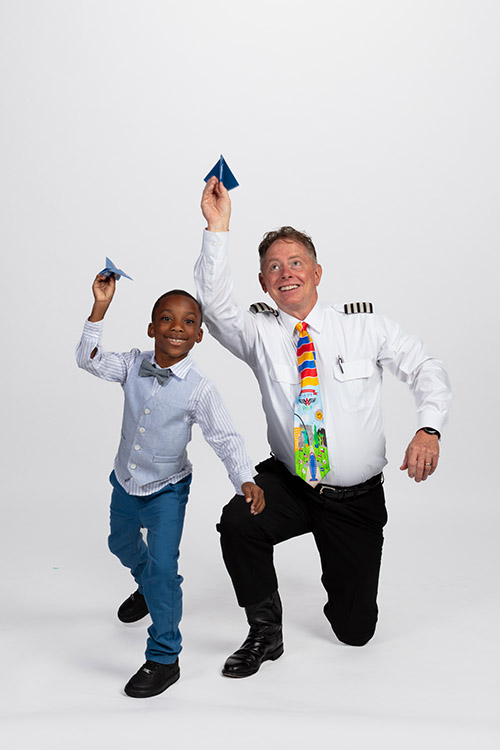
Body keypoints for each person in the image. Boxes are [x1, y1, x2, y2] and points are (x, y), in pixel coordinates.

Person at [194, 176, 452, 678]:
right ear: (264, 282)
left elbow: (425, 367)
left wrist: (430, 429)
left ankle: (340, 574)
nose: (284, 272)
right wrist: (217, 227)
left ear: (316, 272)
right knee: (240, 522)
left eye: (294, 263)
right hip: (291, 482)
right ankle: (265, 634)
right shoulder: (257, 331)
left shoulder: (365, 326)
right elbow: (213, 302)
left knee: (355, 632)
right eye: (273, 267)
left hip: (354, 499)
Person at [76, 272, 264, 697]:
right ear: (151, 328)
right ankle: (148, 587)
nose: (177, 327)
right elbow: (88, 359)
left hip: (167, 489)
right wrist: (99, 309)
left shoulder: (200, 389)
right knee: (120, 544)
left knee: (163, 569)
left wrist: (244, 478)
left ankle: (164, 657)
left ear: (199, 335)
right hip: (125, 480)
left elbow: (225, 436)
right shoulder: (130, 364)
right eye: (166, 318)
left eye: (188, 322)